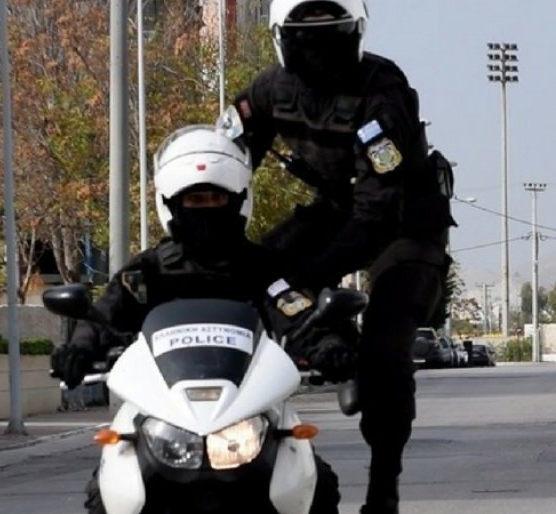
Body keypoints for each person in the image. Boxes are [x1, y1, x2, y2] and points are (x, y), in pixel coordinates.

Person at [224, 1, 456, 513]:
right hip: (338, 208)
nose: (319, 54)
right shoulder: (268, 91)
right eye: (306, 41)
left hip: (405, 219)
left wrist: (309, 275)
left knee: (387, 348)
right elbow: (224, 159)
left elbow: (378, 212)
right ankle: (324, 349)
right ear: (282, 41)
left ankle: (383, 489)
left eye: (331, 39)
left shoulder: (382, 92)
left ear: (355, 36)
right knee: (249, 272)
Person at [51, 124, 346, 514]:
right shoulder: (148, 271)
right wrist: (79, 349)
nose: (206, 208)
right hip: (161, 410)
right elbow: (106, 314)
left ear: (237, 201)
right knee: (110, 483)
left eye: (216, 198)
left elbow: (294, 311)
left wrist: (329, 345)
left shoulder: (266, 269)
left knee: (311, 478)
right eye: (195, 199)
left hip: (250, 408)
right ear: (172, 204)